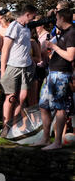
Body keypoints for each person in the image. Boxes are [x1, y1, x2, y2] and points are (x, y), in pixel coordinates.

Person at [35, 9, 74, 150]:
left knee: (60, 107)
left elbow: (70, 56)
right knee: (43, 105)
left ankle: (57, 142)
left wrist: (54, 47)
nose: (55, 21)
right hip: (52, 73)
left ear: (62, 18)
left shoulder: (72, 33)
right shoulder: (62, 32)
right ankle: (45, 138)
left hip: (62, 74)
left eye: (57, 18)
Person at [0, 5, 37, 136]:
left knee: (22, 97)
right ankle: (6, 127)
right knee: (10, 97)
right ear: (27, 14)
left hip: (26, 66)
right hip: (13, 66)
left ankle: (15, 124)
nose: (34, 19)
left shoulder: (27, 27)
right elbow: (5, 49)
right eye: (33, 16)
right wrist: (3, 70)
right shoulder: (14, 27)